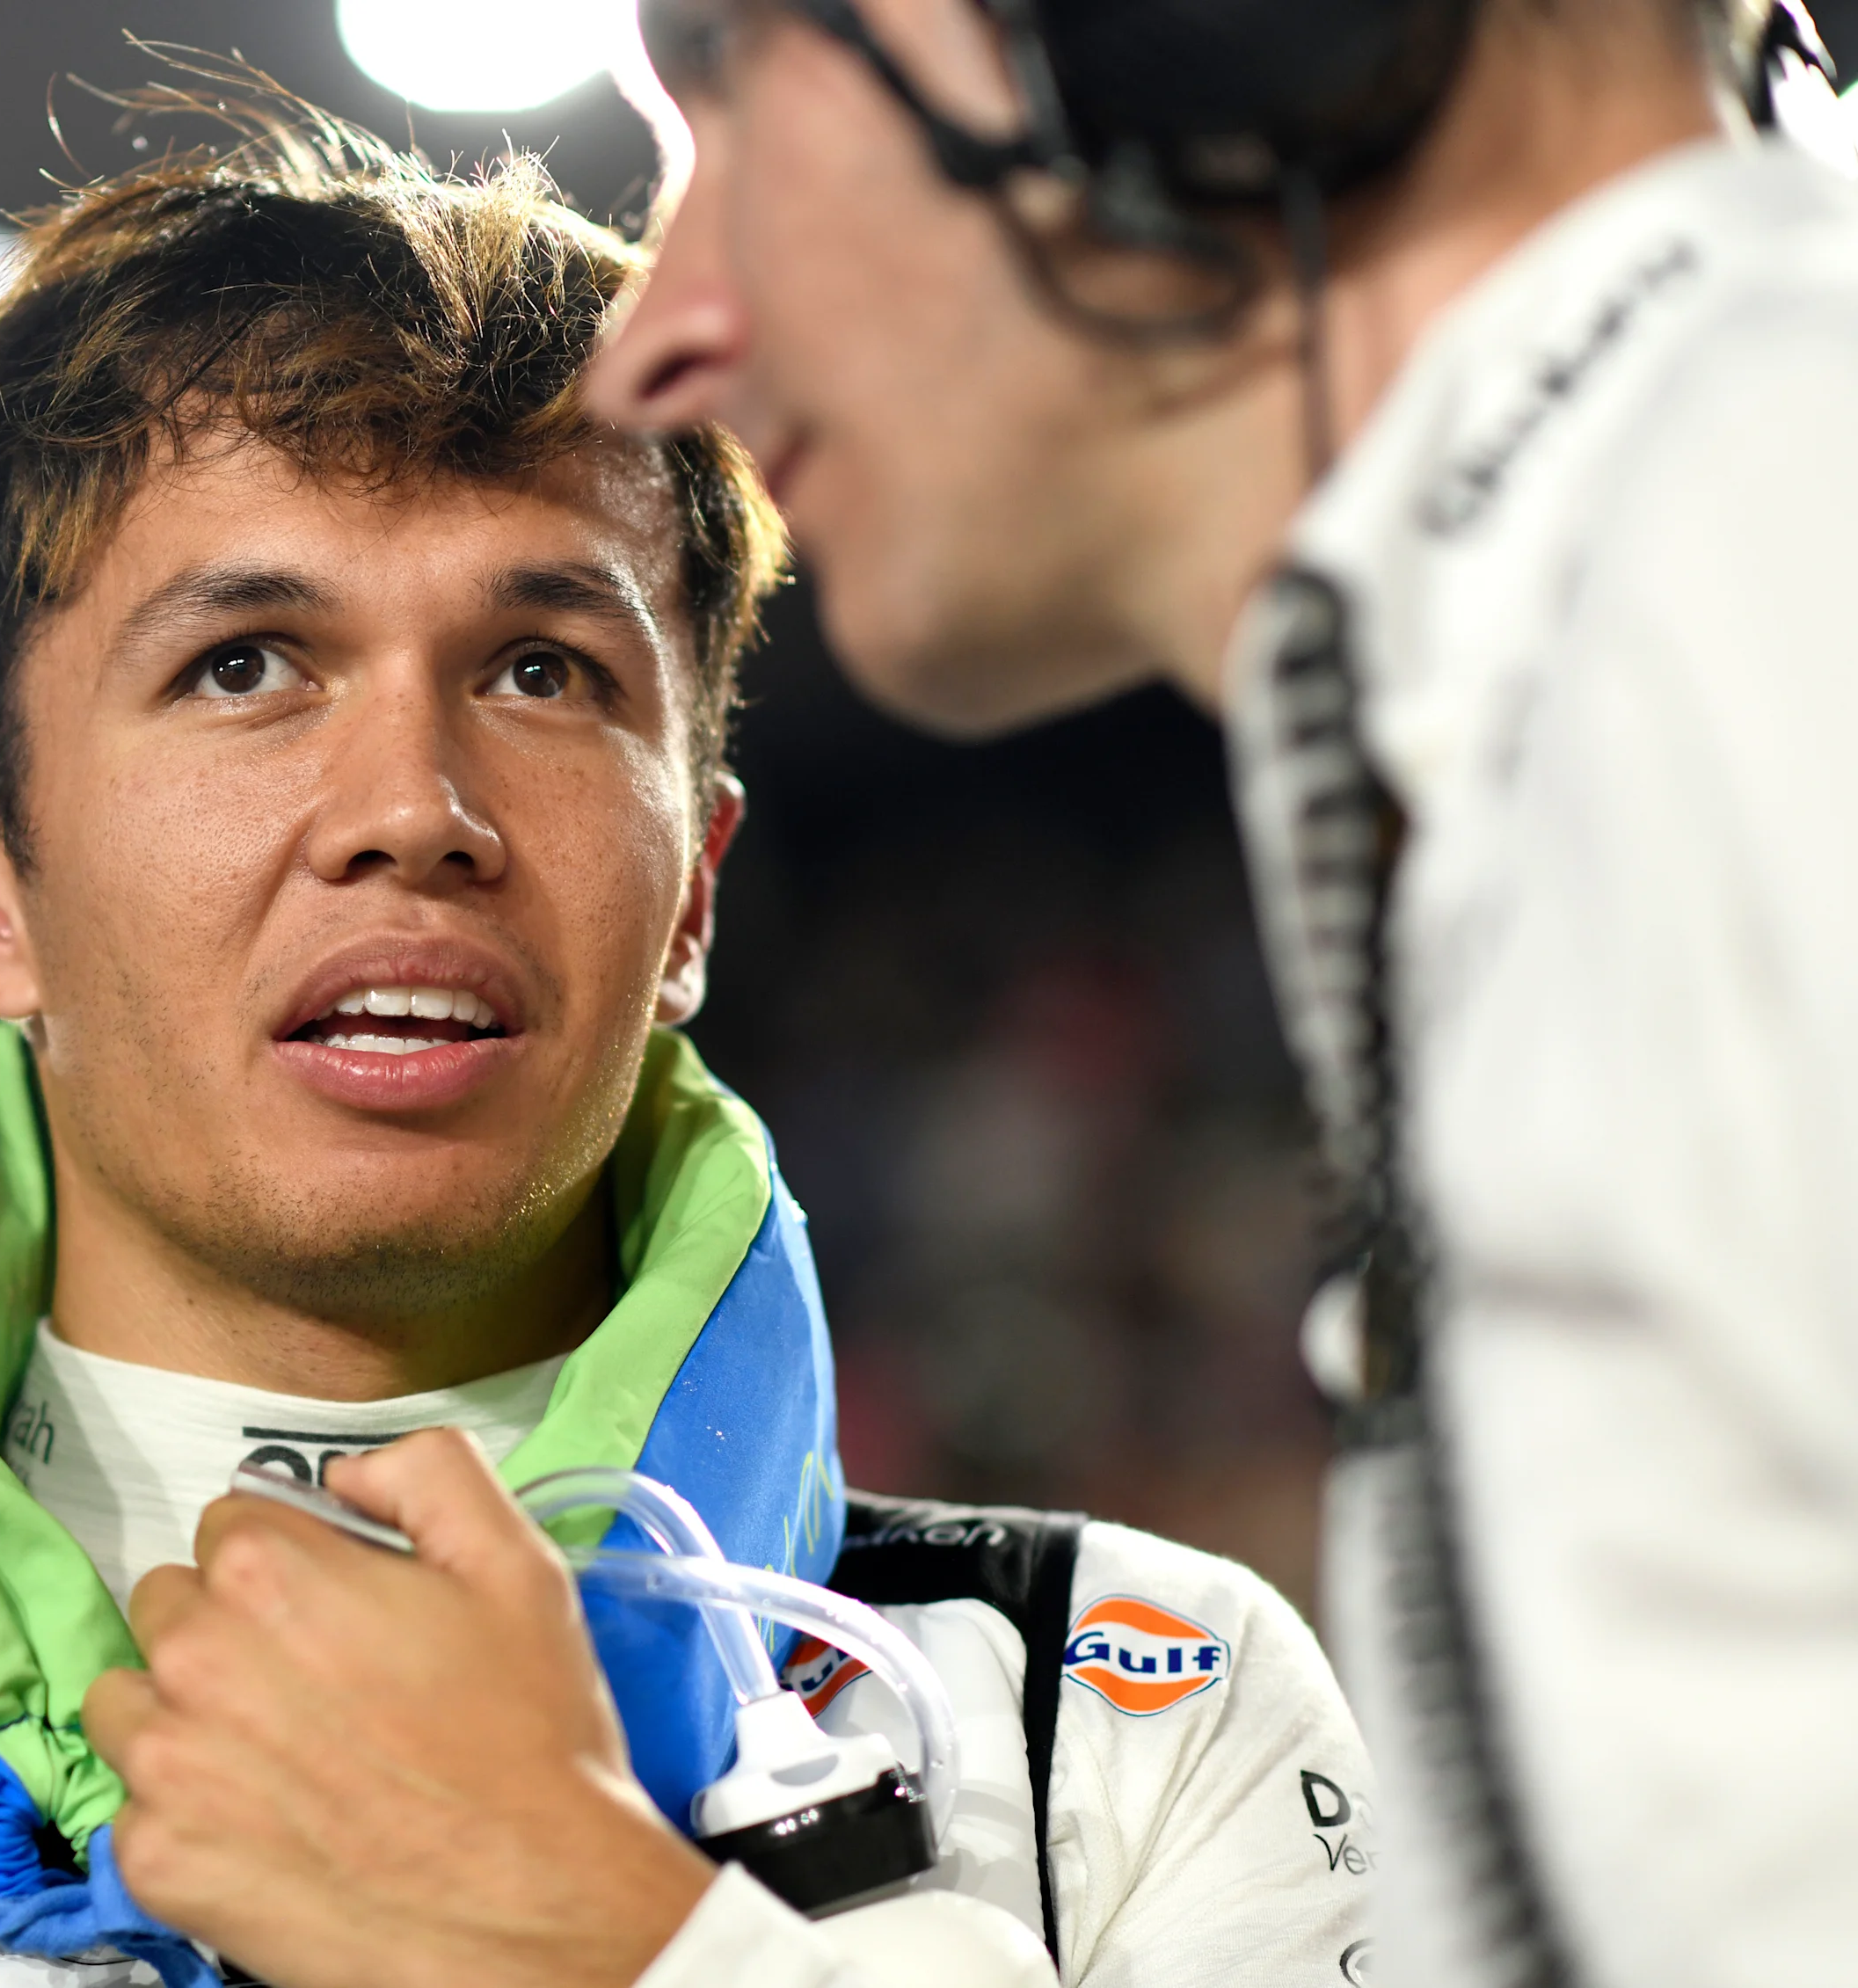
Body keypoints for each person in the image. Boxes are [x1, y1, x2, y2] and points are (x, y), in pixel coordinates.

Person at [0, 116, 1375, 1988]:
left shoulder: (1130, 1722)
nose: (414, 805)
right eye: (244, 665)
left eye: (542, 668)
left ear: (692, 890)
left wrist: (615, 1939)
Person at [98, 4, 1858, 1988]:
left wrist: (592, 1941)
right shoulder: (1642, 616)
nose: (663, 344)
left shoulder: (1775, 526)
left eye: (728, 94)